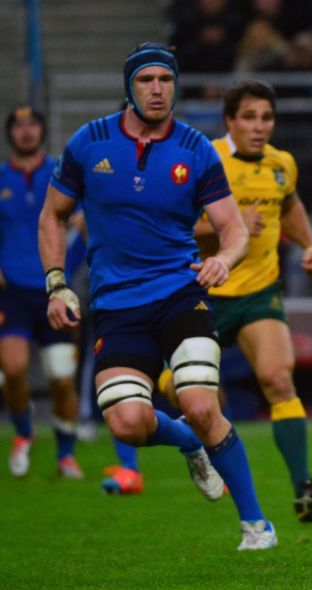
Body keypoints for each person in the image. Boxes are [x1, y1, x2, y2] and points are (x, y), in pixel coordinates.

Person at [38, 42, 275, 550]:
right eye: (146, 80)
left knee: (201, 404)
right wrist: (57, 282)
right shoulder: (89, 142)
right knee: (128, 423)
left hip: (180, 294)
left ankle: (257, 526)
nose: (157, 89)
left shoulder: (196, 148)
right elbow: (53, 215)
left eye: (165, 80)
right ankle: (188, 442)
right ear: (130, 86)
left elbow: (233, 228)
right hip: (116, 305)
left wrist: (224, 259)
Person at [203, 79, 312, 522]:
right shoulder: (207, 160)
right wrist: (228, 224)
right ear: (229, 121)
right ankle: (197, 443)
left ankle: (303, 490)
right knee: (191, 393)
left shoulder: (281, 164)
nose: (259, 127)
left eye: (266, 118)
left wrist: (308, 243)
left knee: (279, 380)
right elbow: (173, 223)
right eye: (249, 118)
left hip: (259, 291)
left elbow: (289, 205)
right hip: (203, 292)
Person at [1, 106, 82, 479]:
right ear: (10, 133)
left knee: (62, 377)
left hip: (55, 290)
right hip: (12, 291)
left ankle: (65, 455)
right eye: (19, 126)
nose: (26, 131)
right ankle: (24, 432)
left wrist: (68, 272)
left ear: (43, 130)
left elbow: (82, 226)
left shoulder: (63, 174)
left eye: (32, 124)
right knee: (12, 368)